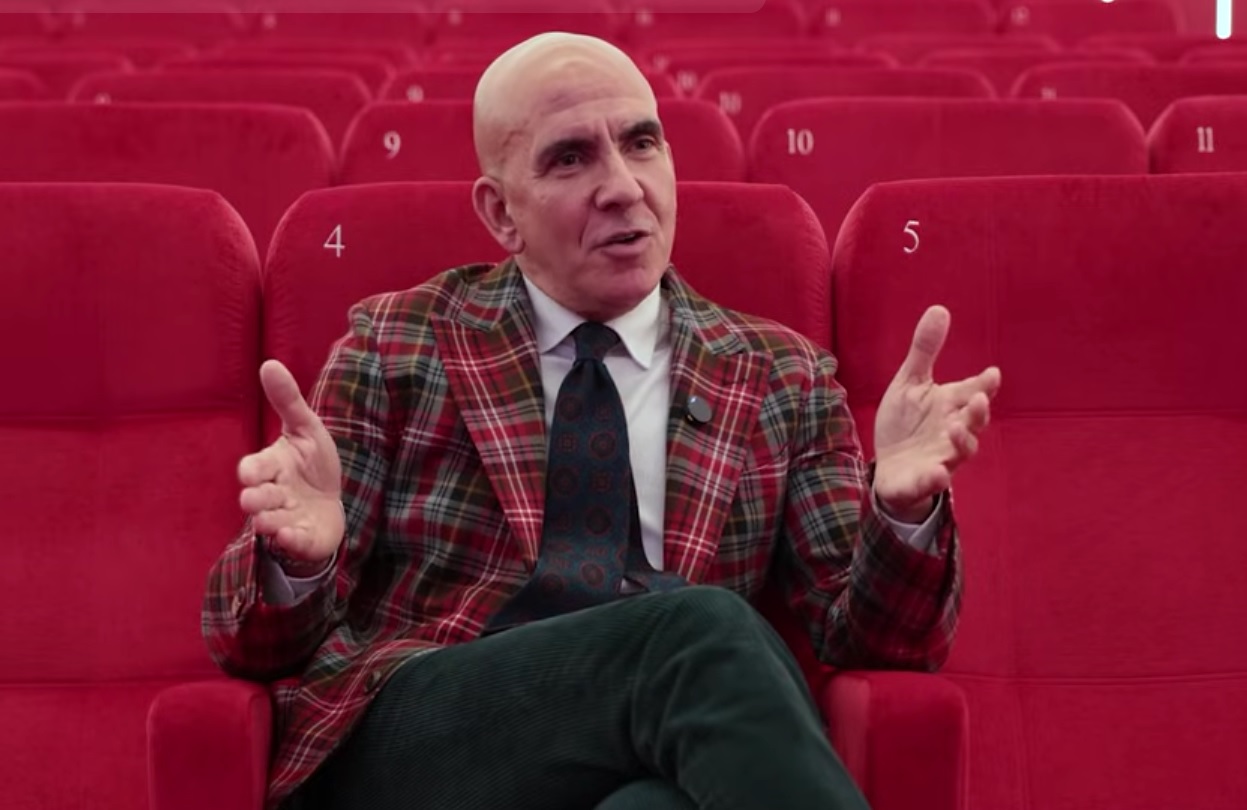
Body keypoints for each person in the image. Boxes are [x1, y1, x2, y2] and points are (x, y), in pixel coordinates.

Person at [203, 32, 1001, 810]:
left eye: (641, 143)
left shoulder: (779, 375)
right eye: (569, 158)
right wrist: (298, 562)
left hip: (652, 736)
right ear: (501, 213)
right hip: (436, 734)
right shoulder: (398, 342)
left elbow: (873, 640)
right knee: (697, 635)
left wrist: (900, 515)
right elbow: (250, 643)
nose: (622, 186)